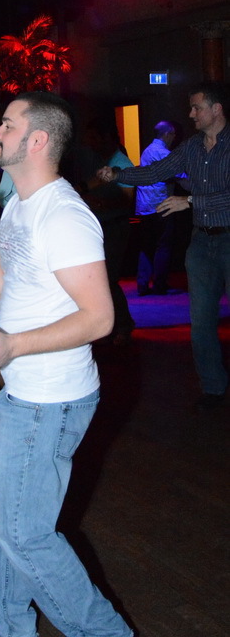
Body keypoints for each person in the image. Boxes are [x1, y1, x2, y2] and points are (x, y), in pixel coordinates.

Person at [0, 92, 134, 637]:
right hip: (23, 392)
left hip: (52, 400)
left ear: (38, 140)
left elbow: (100, 318)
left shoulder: (65, 217)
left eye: (8, 124)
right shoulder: (21, 208)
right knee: (9, 515)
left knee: (25, 531)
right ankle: (8, 617)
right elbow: (13, 286)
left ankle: (103, 634)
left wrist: (15, 346)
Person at [98, 82, 230, 408]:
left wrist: (191, 201)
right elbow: (156, 171)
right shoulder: (192, 147)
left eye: (197, 107)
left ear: (217, 109)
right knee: (201, 322)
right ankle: (213, 389)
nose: (191, 114)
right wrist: (118, 175)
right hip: (202, 242)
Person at [83, 117, 136, 345]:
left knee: (108, 279)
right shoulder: (98, 160)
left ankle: (122, 325)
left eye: (94, 138)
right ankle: (112, 326)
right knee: (101, 279)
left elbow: (128, 201)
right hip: (101, 227)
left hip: (115, 227)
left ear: (107, 138)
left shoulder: (121, 163)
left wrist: (100, 204)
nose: (90, 143)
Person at [136, 121, 184, 296]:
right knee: (163, 245)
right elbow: (179, 173)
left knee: (146, 246)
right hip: (160, 205)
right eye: (173, 135)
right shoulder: (162, 152)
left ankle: (142, 284)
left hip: (144, 206)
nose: (174, 138)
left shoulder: (147, 150)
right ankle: (160, 284)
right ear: (167, 134)